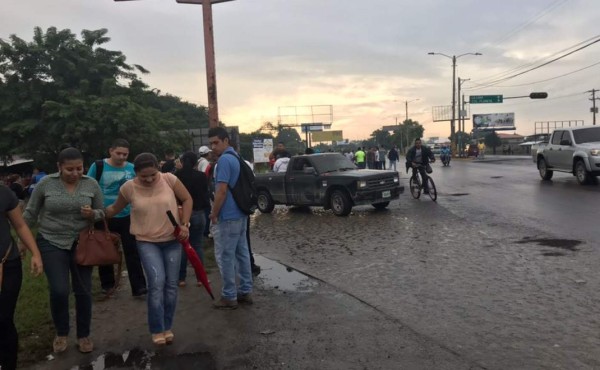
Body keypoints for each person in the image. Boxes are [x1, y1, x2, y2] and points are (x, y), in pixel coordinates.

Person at [23, 147, 105, 354]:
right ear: (59, 167)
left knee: (83, 291)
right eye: (70, 169)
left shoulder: (91, 184)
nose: (75, 173)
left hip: (83, 243)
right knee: (59, 290)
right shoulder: (46, 184)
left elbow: (102, 213)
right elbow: (31, 212)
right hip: (51, 241)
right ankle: (61, 332)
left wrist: (91, 214)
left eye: (79, 168)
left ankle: (83, 334)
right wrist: (22, 243)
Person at [106, 153, 192, 345]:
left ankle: (167, 326)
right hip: (146, 242)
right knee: (156, 282)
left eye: (153, 174)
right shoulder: (128, 188)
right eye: (144, 176)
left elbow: (187, 199)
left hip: (172, 240)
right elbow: (113, 209)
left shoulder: (170, 179)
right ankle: (156, 328)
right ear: (135, 173)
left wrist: (185, 224)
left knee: (171, 285)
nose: (149, 179)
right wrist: (95, 212)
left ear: (158, 169)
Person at [87, 139, 147, 297]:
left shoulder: (132, 168)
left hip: (127, 214)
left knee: (132, 251)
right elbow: (87, 187)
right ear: (110, 151)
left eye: (125, 154)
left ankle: (139, 286)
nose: (121, 157)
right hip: (103, 215)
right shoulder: (98, 166)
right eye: (118, 153)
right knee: (105, 251)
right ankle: (107, 284)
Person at [208, 127, 253, 310]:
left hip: (228, 215)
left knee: (227, 256)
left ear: (226, 141)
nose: (213, 147)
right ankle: (245, 291)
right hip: (241, 213)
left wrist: (214, 213)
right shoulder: (236, 157)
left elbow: (221, 191)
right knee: (242, 254)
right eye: (211, 143)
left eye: (216, 142)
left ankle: (229, 296)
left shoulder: (225, 160)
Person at [0, 185, 43, 370]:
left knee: (3, 318)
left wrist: (35, 253)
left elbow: (20, 224)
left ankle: (9, 365)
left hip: (7, 264)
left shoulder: (3, 193)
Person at [174, 151, 210, 288]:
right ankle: (200, 278)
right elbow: (205, 193)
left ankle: (181, 278)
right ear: (196, 163)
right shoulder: (201, 176)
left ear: (182, 162)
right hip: (199, 213)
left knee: (183, 246)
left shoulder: (177, 176)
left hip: (182, 214)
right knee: (198, 246)